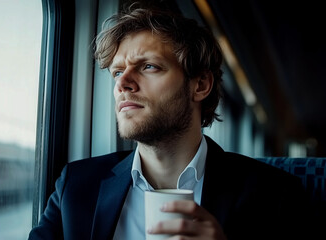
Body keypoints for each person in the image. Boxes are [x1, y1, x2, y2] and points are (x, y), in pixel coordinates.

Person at [28, 2, 315, 240]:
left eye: (149, 66)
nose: (123, 84)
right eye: (117, 73)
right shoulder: (77, 185)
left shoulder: (276, 194)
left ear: (200, 84)